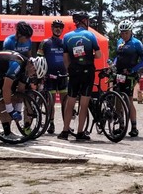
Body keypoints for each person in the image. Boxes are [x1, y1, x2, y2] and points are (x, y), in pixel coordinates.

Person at [0, 50, 45, 145]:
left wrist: (17, 109)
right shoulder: (17, 65)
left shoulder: (26, 69)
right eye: (35, 73)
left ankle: (7, 133)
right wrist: (11, 110)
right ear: (32, 65)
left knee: (2, 101)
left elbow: (21, 91)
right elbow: (6, 88)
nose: (33, 76)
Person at [59, 11, 102, 141]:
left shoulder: (66, 37)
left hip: (74, 72)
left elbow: (65, 58)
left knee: (70, 102)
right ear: (84, 21)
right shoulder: (90, 35)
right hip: (88, 72)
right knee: (84, 104)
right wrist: (89, 56)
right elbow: (99, 55)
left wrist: (70, 69)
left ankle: (65, 131)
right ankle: (80, 133)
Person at [113, 19, 143, 137]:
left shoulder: (136, 43)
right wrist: (113, 64)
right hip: (118, 74)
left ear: (131, 31)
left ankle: (134, 127)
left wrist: (133, 70)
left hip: (130, 75)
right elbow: (117, 57)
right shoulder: (119, 42)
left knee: (128, 100)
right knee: (117, 99)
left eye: (126, 32)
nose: (124, 35)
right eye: (122, 33)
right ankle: (121, 125)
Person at [39, 19, 68, 134]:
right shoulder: (45, 42)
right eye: (56, 26)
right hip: (49, 76)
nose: (58, 29)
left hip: (63, 75)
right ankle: (51, 123)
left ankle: (66, 126)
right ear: (51, 28)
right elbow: (39, 59)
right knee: (50, 102)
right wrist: (40, 75)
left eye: (60, 27)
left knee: (65, 102)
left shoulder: (64, 43)